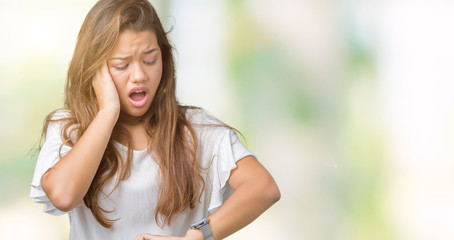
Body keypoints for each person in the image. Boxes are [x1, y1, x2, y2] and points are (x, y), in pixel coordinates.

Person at [29, 0, 280, 239]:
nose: (139, 75)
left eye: (150, 60)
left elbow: (263, 187)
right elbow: (63, 195)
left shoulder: (196, 129)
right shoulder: (69, 128)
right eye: (121, 65)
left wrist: (196, 236)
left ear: (164, 58)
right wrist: (107, 112)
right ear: (96, 70)